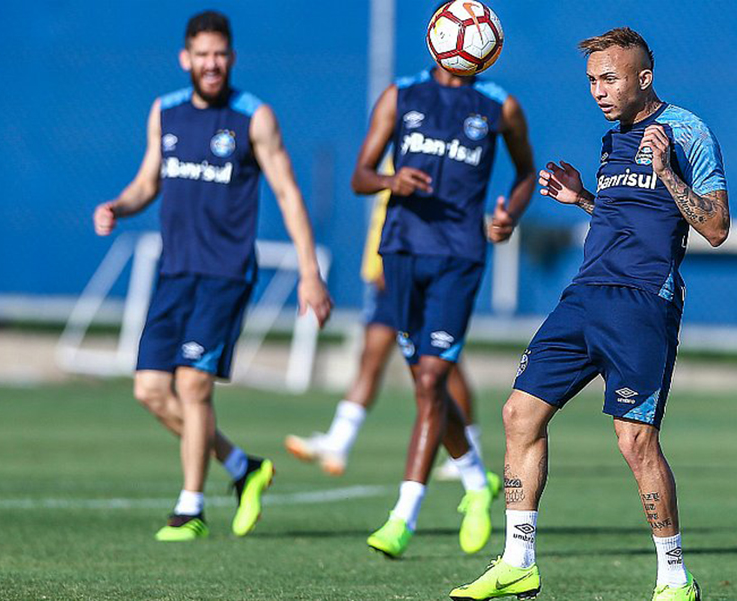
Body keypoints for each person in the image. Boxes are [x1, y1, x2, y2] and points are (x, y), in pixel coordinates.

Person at [450, 28, 728, 601]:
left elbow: (716, 228)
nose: (598, 91)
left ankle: (674, 576)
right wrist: (581, 200)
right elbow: (631, 216)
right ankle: (518, 561)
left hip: (642, 303)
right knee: (518, 414)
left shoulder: (687, 131)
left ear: (643, 79)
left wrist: (669, 170)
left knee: (634, 441)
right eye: (592, 81)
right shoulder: (611, 140)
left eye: (609, 79)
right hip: (583, 297)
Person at [92, 11, 332, 542]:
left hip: (225, 274)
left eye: (220, 54)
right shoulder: (166, 112)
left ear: (232, 58)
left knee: (192, 384)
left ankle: (191, 506)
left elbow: (289, 194)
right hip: (174, 273)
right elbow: (146, 182)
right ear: (186, 59)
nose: (211, 64)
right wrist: (118, 206)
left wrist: (309, 273)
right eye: (202, 55)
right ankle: (243, 467)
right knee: (151, 391)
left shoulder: (254, 117)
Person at [343, 63, 535, 560]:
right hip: (401, 253)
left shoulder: (500, 105)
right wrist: (390, 179)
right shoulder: (400, 96)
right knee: (423, 384)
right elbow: (359, 177)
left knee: (430, 383)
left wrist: (508, 215)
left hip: (459, 258)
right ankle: (477, 482)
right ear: (436, 35)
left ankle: (402, 516)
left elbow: (526, 174)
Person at [284, 160, 487, 482]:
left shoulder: (431, 154)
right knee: (373, 357)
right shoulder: (392, 157)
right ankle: (339, 441)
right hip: (389, 275)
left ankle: (469, 449)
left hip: (416, 274)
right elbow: (372, 198)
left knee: (443, 367)